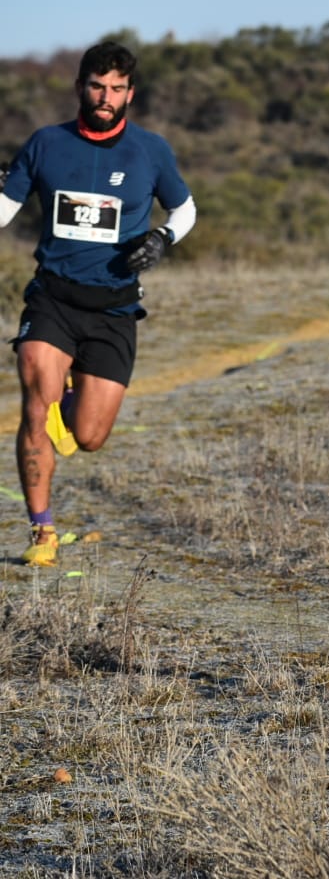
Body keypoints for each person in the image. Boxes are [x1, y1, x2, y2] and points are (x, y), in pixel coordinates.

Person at [1, 41, 196, 567]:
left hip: (113, 308)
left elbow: (185, 208)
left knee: (88, 437)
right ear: (80, 87)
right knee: (35, 397)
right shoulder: (46, 144)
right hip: (54, 298)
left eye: (116, 89)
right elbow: (4, 208)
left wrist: (161, 240)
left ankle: (69, 403)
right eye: (96, 86)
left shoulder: (150, 150)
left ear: (129, 93)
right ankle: (42, 532)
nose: (105, 97)